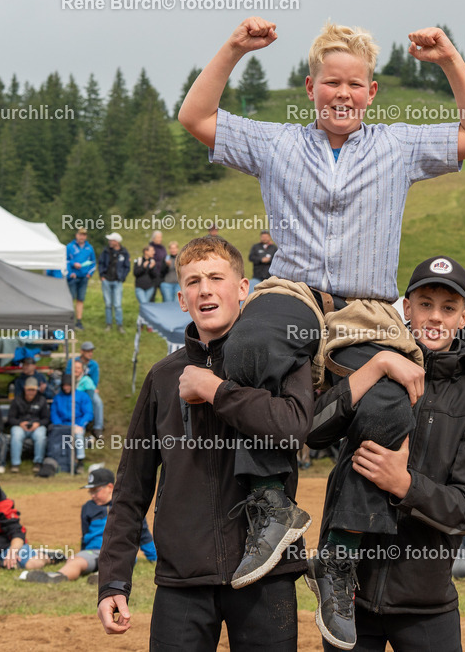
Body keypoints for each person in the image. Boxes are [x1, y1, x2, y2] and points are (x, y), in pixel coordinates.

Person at [178, 18, 465, 627]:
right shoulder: (276, 145)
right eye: (332, 83)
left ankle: (341, 557)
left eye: (355, 84)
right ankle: (272, 504)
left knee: (389, 408)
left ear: (371, 92)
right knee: (252, 339)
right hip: (294, 292)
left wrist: (450, 58)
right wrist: (235, 49)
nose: (343, 94)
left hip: (366, 308)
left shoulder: (399, 146)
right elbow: (196, 117)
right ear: (310, 87)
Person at [97, 237, 312, 650]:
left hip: (266, 574)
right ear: (181, 298)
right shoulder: (162, 378)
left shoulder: (280, 360)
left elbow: (293, 428)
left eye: (216, 277)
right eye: (194, 281)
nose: (205, 289)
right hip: (182, 579)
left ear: (244, 289)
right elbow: (131, 488)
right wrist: (113, 581)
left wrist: (216, 390)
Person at [305, 255, 465, 649]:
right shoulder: (370, 364)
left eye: (448, 308)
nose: (435, 317)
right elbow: (313, 431)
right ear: (406, 308)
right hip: (349, 597)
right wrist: (375, 365)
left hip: (426, 603)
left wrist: (405, 485)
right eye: (425, 304)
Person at [22, 468, 156, 584]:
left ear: (110, 487)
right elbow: (85, 535)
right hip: (94, 551)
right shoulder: (88, 507)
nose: (92, 495)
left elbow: (143, 534)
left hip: (120, 551)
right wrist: (82, 553)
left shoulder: (127, 506)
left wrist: (154, 558)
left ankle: (101, 577)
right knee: (76, 560)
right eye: (90, 492)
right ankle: (57, 576)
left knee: (120, 561)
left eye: (95, 491)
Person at [49, 371, 93, 474]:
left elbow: (88, 413)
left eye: (68, 385)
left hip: (77, 425)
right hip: (61, 426)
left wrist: (81, 425)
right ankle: (58, 463)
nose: (66, 388)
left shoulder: (82, 396)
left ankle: (80, 462)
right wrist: (60, 426)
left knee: (78, 435)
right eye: (64, 386)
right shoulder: (58, 398)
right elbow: (54, 414)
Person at [8, 377, 50, 473]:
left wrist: (38, 424)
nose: (31, 392)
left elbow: (46, 419)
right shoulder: (17, 400)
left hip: (36, 426)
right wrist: (20, 423)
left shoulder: (42, 400)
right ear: (24, 388)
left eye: (33, 390)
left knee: (41, 436)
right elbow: (11, 418)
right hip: (21, 426)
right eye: (29, 390)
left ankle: (38, 462)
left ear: (37, 389)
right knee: (16, 434)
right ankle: (15, 463)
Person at [68, 342, 104, 437]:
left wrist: (92, 387)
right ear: (82, 352)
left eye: (91, 351)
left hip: (88, 388)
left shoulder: (94, 365)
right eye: (88, 351)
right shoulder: (73, 362)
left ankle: (98, 427)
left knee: (97, 402)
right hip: (74, 387)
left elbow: (95, 381)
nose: (90, 353)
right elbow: (68, 375)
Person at [99, 232, 130, 334]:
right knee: (108, 304)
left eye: (111, 240)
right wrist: (102, 276)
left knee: (117, 305)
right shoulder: (105, 251)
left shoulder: (124, 252)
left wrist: (122, 277)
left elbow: (127, 266)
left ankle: (119, 325)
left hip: (117, 282)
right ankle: (109, 324)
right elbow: (101, 263)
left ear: (116, 242)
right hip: (106, 280)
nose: (109, 242)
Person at [66, 227, 96, 330]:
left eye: (84, 235)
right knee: (70, 299)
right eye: (80, 234)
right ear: (76, 235)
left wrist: (89, 274)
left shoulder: (89, 248)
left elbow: (93, 263)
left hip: (84, 277)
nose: (81, 237)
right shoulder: (70, 247)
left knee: (80, 299)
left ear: (86, 236)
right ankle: (69, 321)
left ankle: (79, 321)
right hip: (73, 277)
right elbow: (65, 261)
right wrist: (73, 266)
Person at [72, 359, 103, 438]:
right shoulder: (68, 379)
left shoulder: (86, 380)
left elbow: (91, 396)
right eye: (74, 367)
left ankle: (97, 428)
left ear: (82, 370)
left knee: (97, 402)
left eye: (78, 368)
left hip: (83, 402)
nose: (76, 370)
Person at [133, 246, 157, 316]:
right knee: (144, 304)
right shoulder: (138, 260)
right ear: (146, 251)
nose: (154, 252)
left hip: (150, 287)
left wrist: (151, 268)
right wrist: (143, 267)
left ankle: (144, 324)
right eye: (152, 250)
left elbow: (155, 275)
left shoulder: (153, 262)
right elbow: (135, 273)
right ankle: (142, 324)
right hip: (140, 287)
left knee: (146, 306)